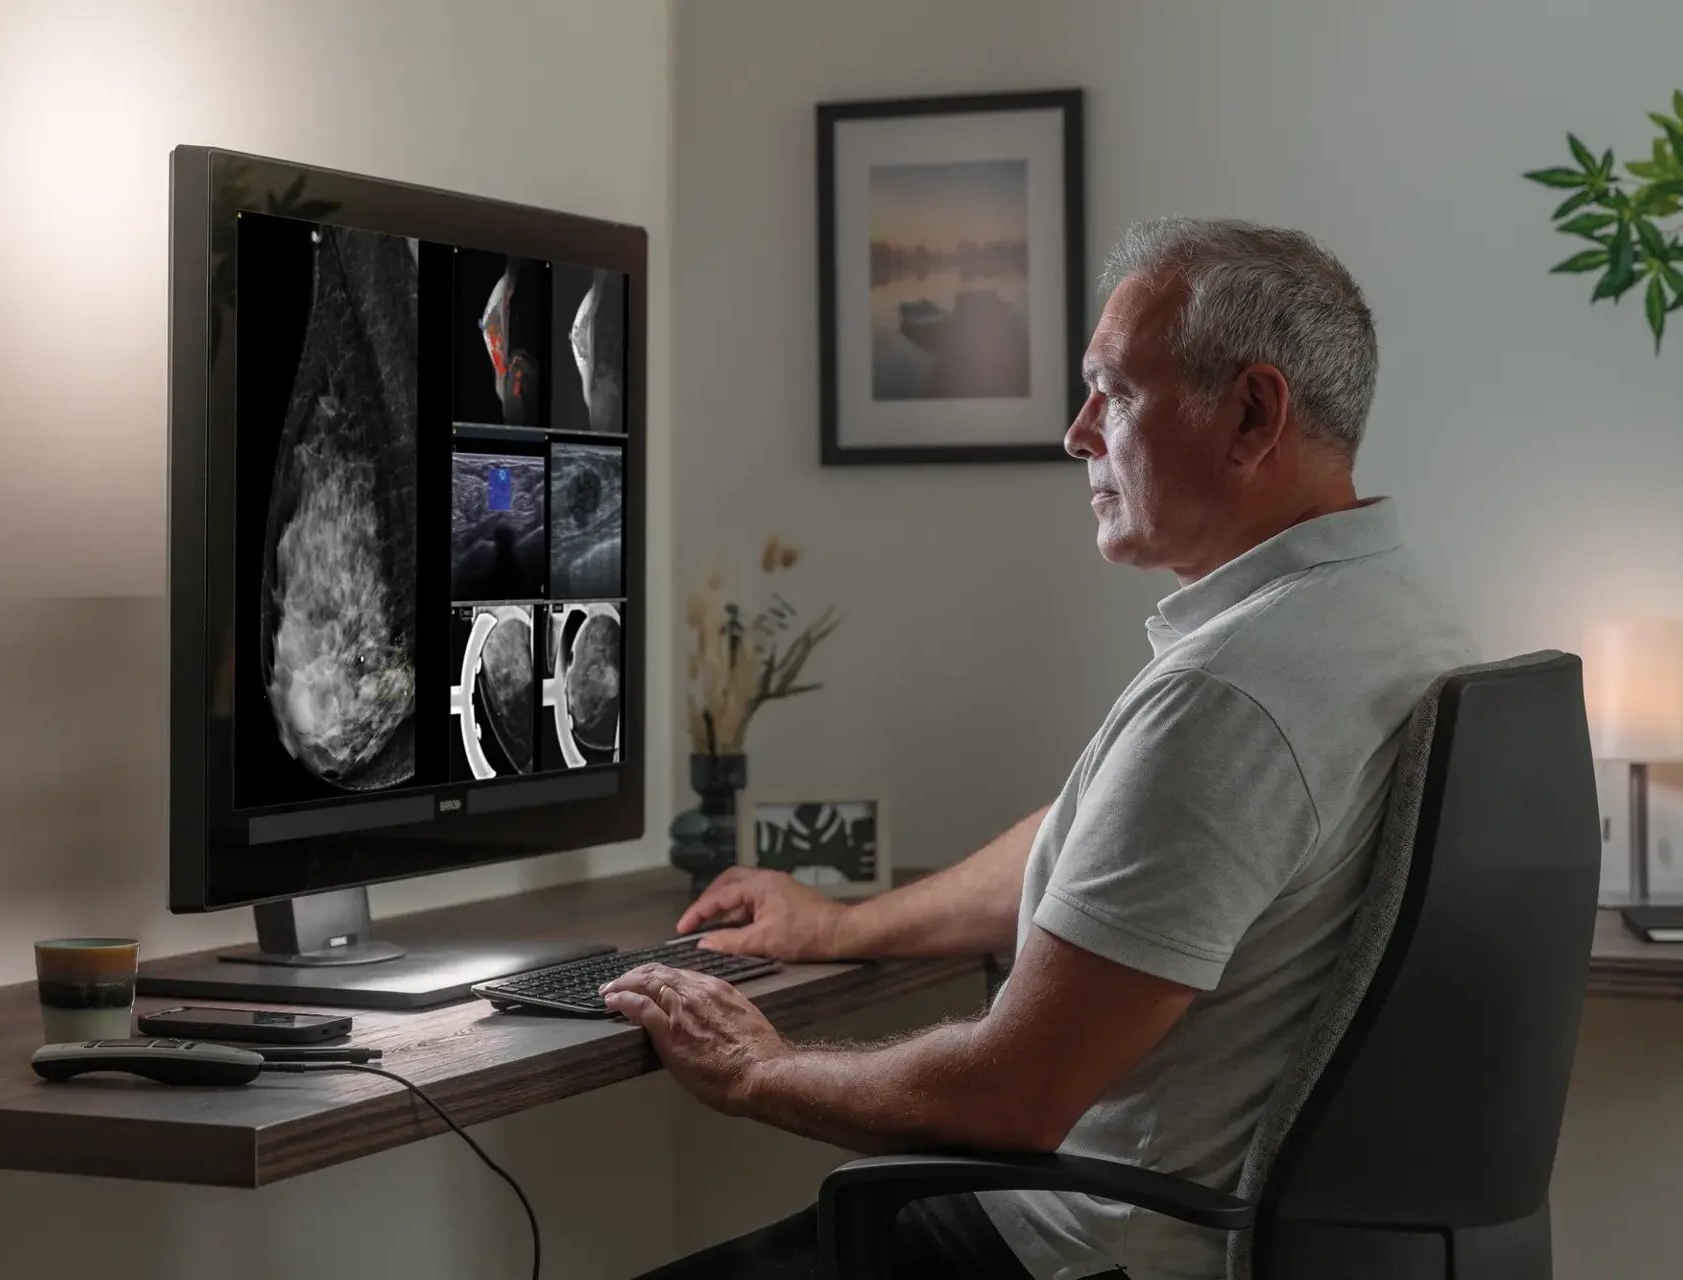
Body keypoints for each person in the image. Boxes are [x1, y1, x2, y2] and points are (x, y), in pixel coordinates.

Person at [608, 218, 1478, 1280]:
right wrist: (846, 923)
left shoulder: (1236, 693)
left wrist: (757, 1068)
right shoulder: (1394, 616)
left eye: (1114, 391)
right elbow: (1112, 859)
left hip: (1079, 1254)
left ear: (1251, 413)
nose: (1077, 432)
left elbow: (1010, 1093)